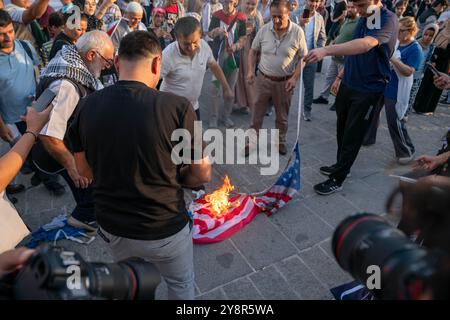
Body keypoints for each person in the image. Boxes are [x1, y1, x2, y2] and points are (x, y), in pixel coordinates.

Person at [67, 30, 212, 300]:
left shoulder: (86, 106)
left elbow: (84, 172)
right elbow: (202, 172)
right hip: (165, 228)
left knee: (133, 286)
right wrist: (180, 177)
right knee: (181, 287)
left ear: (118, 63)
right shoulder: (177, 107)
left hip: (114, 227)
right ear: (157, 64)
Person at [305, 0, 398, 195]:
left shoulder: (387, 19)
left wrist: (326, 50)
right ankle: (341, 166)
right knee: (342, 127)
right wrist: (340, 76)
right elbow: (355, 52)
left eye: (362, 5)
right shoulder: (365, 17)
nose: (358, 10)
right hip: (349, 82)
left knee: (353, 134)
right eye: (355, 5)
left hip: (369, 89)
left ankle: (337, 178)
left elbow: (365, 44)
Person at [32, 30, 114, 232]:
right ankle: (82, 220)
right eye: (107, 61)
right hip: (59, 152)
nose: (107, 67)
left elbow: (39, 107)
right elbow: (48, 134)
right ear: (91, 55)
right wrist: (73, 166)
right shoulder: (67, 85)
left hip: (67, 145)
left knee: (88, 189)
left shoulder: (68, 62)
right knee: (91, 189)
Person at [0, 9, 66, 196]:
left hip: (36, 110)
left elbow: (38, 72)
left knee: (44, 147)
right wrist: (2, 127)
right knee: (26, 150)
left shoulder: (25, 46)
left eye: (10, 31)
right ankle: (40, 173)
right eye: (2, 34)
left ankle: (49, 179)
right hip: (13, 119)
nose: (8, 37)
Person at [246, 0, 307, 155]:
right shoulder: (264, 30)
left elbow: (302, 58)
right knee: (256, 115)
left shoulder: (297, 32)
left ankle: (280, 142)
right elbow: (253, 50)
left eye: (280, 16)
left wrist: (294, 78)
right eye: (273, 16)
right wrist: (250, 71)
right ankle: (251, 143)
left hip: (284, 82)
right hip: (263, 79)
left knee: (282, 117)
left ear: (289, 13)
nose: (276, 20)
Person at [364, 17, 423, 164]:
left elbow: (409, 71)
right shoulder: (396, 42)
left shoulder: (415, 48)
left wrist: (394, 59)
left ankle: (406, 150)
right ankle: (368, 138)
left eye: (400, 30)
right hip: (383, 83)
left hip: (396, 90)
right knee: (372, 113)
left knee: (394, 121)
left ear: (410, 31)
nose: (397, 33)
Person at [160, 16, 233, 120]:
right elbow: (152, 80)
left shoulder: (204, 46)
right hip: (170, 110)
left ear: (200, 36)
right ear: (177, 38)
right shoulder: (167, 55)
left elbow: (214, 65)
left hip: (193, 106)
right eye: (186, 44)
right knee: (173, 137)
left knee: (197, 135)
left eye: (195, 42)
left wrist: (226, 88)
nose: (191, 48)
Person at [207, 0, 246, 128]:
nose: (228, 4)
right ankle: (213, 118)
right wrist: (216, 31)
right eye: (226, 1)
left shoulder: (241, 18)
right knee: (215, 89)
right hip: (217, 58)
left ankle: (226, 117)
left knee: (230, 89)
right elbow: (209, 34)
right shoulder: (216, 15)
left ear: (235, 2)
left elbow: (243, 38)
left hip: (233, 58)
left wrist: (235, 46)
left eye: (231, 1)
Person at [313, 1, 359, 109]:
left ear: (357, 8)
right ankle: (324, 97)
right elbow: (341, 34)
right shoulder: (347, 20)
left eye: (353, 7)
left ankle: (338, 101)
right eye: (349, 7)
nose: (350, 9)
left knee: (340, 81)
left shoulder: (359, 23)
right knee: (329, 77)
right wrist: (335, 41)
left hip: (345, 58)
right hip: (335, 56)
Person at [413, 19, 450, 113]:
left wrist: (438, 52)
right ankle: (418, 105)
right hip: (433, 61)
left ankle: (428, 108)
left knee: (435, 87)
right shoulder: (442, 31)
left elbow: (448, 53)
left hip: (442, 64)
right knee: (426, 84)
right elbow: (433, 42)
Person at [298, 0, 326, 121]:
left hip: (311, 56)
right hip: (294, 56)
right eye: (311, 1)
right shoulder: (296, 13)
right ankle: (274, 105)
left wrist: (318, 51)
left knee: (309, 86)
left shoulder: (319, 18)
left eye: (317, 1)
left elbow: (322, 37)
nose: (313, 4)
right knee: (283, 82)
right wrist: (300, 23)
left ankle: (307, 110)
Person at [234, 0, 264, 114]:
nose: (250, 6)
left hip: (249, 49)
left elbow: (260, 36)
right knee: (236, 76)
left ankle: (251, 103)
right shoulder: (236, 12)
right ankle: (238, 102)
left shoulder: (257, 16)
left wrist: (259, 52)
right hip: (236, 47)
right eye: (248, 3)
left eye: (253, 4)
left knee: (248, 75)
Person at [408, 22, 439, 109]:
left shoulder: (432, 47)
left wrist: (431, 63)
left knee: (412, 96)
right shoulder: (415, 43)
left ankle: (405, 114)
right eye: (426, 34)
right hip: (408, 73)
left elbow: (429, 60)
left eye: (430, 36)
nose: (427, 37)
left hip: (418, 76)